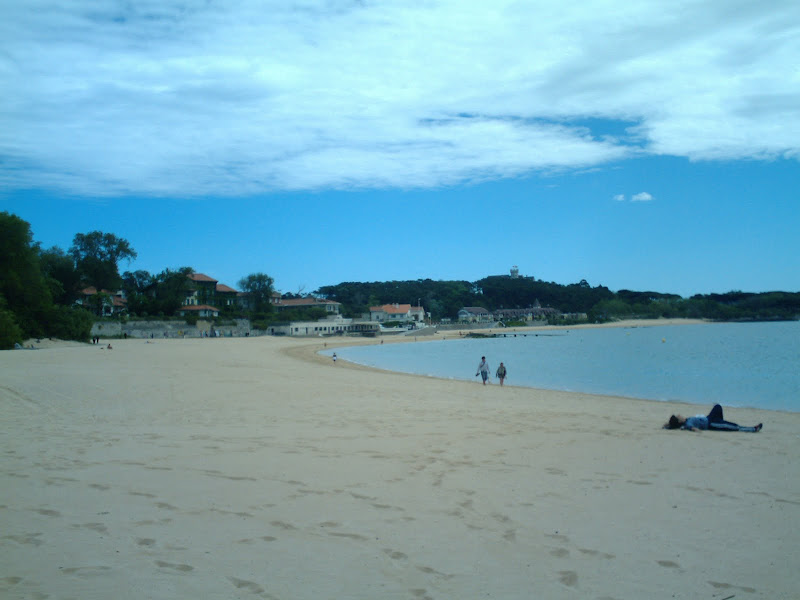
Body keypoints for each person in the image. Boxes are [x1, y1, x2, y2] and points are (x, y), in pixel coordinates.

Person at [663, 404, 762, 432]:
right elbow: (694, 429)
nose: (679, 414)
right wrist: (694, 429)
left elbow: (668, 426)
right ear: (679, 420)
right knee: (734, 427)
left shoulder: (687, 421)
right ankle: (753, 429)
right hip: (711, 423)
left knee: (717, 407)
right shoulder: (687, 424)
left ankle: (721, 421)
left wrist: (667, 426)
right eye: (678, 416)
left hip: (709, 417)